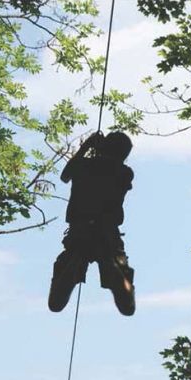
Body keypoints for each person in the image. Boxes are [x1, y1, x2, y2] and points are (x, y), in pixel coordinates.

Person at [48, 131, 135, 316]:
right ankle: (116, 270)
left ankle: (72, 265)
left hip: (79, 231)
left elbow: (65, 176)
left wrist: (86, 146)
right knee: (128, 307)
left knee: (55, 304)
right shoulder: (125, 173)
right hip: (108, 233)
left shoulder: (83, 165)